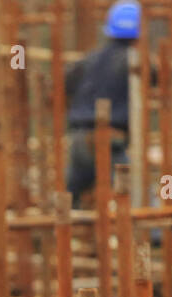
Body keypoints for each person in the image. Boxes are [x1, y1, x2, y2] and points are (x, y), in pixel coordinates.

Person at [64, 1, 139, 204]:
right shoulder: (135, 62)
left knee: (71, 196)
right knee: (133, 194)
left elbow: (64, 85)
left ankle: (57, 231)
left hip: (79, 137)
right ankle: (157, 236)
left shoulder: (89, 60)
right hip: (110, 140)